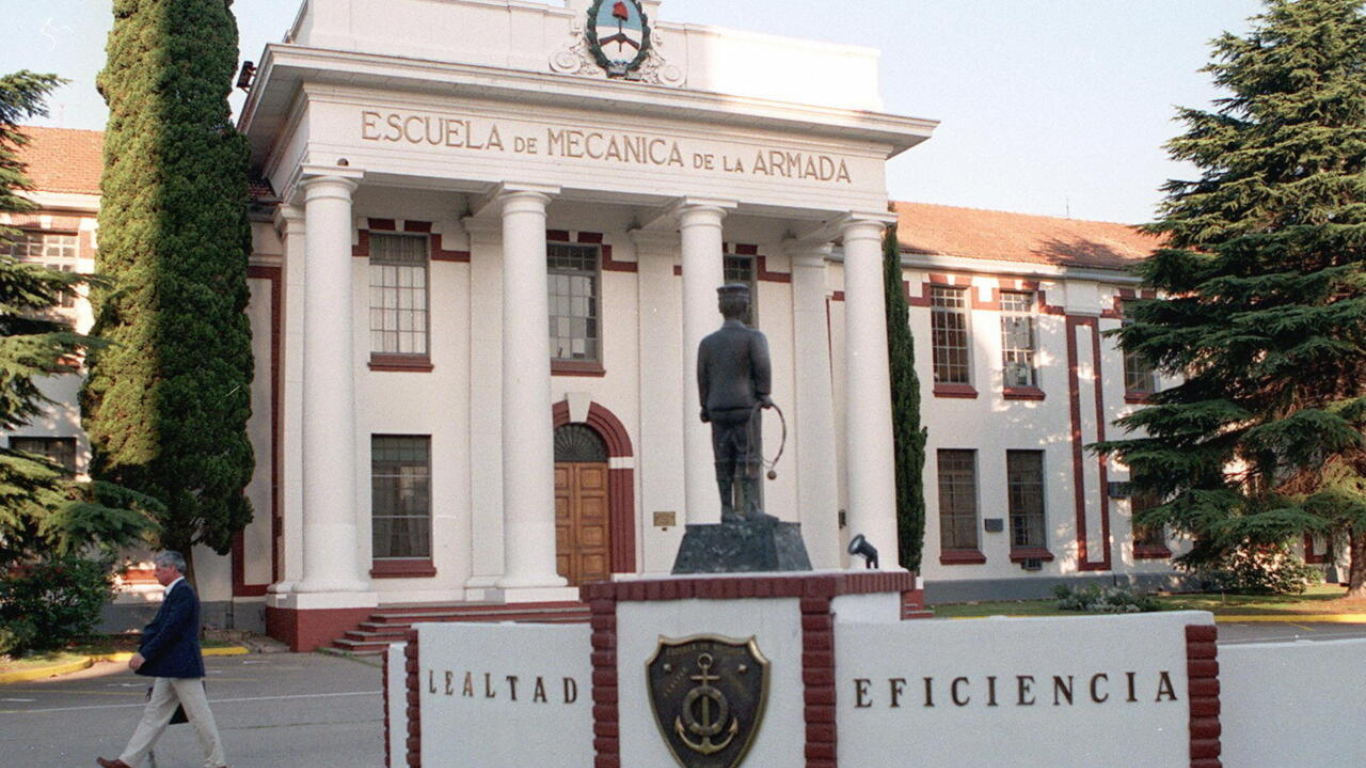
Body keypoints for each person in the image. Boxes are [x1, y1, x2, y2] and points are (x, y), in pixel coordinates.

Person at [98, 550, 227, 768]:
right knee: (154, 715)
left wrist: (145, 654)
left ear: (173, 569)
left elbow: (171, 629)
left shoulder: (183, 592)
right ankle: (127, 761)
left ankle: (217, 763)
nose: (155, 573)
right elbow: (161, 627)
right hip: (171, 666)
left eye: (159, 569)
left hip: (182, 666)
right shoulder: (174, 592)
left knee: (199, 717)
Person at [697, 283, 773, 522]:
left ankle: (726, 509)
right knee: (748, 456)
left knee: (723, 459)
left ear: (722, 309)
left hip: (717, 407)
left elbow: (702, 376)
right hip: (745, 406)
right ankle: (751, 507)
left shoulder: (708, 343)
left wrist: (704, 406)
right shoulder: (754, 337)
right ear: (745, 307)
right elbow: (762, 366)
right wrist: (764, 394)